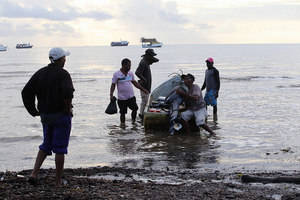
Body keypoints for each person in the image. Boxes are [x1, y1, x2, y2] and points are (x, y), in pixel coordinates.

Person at [21, 47, 74, 186]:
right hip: (61, 115)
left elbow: (26, 92)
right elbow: (68, 93)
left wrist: (33, 111)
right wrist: (68, 109)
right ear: (60, 59)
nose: (65, 60)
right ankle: (57, 181)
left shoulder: (40, 73)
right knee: (60, 148)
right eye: (64, 58)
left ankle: (34, 173)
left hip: (45, 116)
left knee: (46, 145)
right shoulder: (63, 74)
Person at [110, 58, 149, 126]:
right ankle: (122, 125)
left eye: (130, 66)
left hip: (131, 96)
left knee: (135, 109)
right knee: (122, 113)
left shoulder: (130, 73)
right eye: (128, 66)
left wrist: (143, 89)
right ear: (123, 65)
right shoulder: (116, 74)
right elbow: (113, 85)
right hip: (122, 98)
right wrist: (111, 95)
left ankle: (133, 123)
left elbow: (134, 83)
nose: (129, 67)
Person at [135, 49, 159, 119]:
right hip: (144, 86)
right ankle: (141, 115)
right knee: (144, 101)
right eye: (151, 55)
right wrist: (144, 79)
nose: (152, 57)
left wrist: (152, 59)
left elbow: (157, 60)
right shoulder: (143, 62)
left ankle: (142, 114)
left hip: (146, 86)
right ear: (148, 56)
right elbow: (137, 72)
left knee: (145, 101)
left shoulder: (146, 62)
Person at [201, 57, 220, 122]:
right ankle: (205, 116)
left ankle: (215, 118)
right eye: (207, 63)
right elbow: (205, 82)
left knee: (214, 105)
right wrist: (200, 90)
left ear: (212, 63)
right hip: (207, 90)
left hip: (213, 90)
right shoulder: (206, 71)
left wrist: (217, 92)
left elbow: (218, 82)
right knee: (205, 103)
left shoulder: (215, 71)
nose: (207, 64)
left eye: (209, 63)